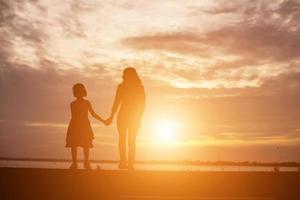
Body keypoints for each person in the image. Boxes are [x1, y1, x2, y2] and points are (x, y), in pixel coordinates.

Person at [107, 67, 146, 170]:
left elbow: (116, 103)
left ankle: (126, 163)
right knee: (129, 141)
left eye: (124, 74)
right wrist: (111, 117)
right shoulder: (136, 87)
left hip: (127, 116)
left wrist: (111, 116)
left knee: (125, 140)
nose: (123, 76)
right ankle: (128, 164)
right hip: (129, 117)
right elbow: (142, 105)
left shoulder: (126, 87)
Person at [66, 83, 106, 169]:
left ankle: (86, 162)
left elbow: (93, 114)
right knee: (74, 145)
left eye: (77, 91)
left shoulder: (86, 103)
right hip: (76, 125)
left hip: (82, 125)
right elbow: (75, 116)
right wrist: (103, 121)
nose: (76, 93)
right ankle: (75, 163)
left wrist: (103, 121)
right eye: (75, 91)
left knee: (86, 145)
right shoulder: (72, 104)